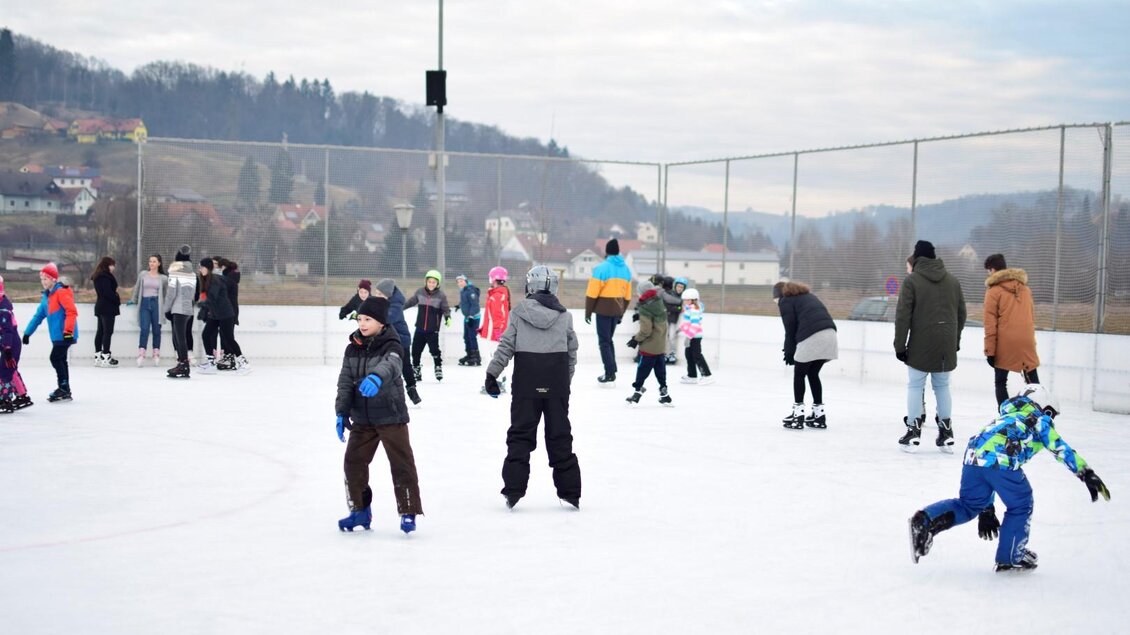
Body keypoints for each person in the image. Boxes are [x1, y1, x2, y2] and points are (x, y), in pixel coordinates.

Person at [909, 384, 1110, 572]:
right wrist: (1086, 473)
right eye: (1053, 415)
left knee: (969, 505)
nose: (1052, 420)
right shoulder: (1038, 419)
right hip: (1002, 461)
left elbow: (989, 458)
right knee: (1022, 503)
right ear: (1046, 409)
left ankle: (924, 520)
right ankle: (1011, 556)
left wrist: (986, 508)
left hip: (972, 457)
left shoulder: (1006, 417)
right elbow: (1059, 448)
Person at [484, 265, 581, 510]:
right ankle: (570, 492)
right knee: (559, 435)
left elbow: (505, 346)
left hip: (526, 385)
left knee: (520, 435)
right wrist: (564, 382)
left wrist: (492, 374)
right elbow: (572, 354)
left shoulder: (519, 312)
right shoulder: (565, 316)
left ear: (530, 285)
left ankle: (513, 490)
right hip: (556, 385)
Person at [335, 296, 422, 534]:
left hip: (390, 415)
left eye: (368, 319)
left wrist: (377, 377)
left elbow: (392, 365)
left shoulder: (391, 344)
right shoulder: (352, 346)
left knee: (401, 463)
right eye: (360, 318)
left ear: (381, 322)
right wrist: (341, 412)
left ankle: (408, 511)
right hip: (362, 418)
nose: (362, 323)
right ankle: (360, 511)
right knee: (353, 463)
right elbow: (344, 383)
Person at [894, 240, 966, 452]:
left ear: (917, 258)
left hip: (920, 344)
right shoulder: (953, 281)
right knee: (942, 386)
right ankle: (946, 433)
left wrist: (900, 345)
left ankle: (914, 432)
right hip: (946, 345)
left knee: (916, 385)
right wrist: (955, 341)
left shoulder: (912, 281)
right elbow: (961, 315)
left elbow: (903, 316)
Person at [774, 281, 838, 429]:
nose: (777, 303)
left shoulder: (786, 301)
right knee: (813, 373)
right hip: (830, 335)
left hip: (813, 336)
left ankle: (798, 415)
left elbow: (790, 330)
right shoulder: (808, 296)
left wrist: (789, 352)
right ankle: (819, 415)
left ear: (779, 295)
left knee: (799, 374)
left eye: (775, 300)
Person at [983, 253, 1040, 407]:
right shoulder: (1025, 289)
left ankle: (1005, 415)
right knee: (1032, 380)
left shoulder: (993, 292)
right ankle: (1038, 415)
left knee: (1000, 381)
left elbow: (990, 325)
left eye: (988, 271)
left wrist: (990, 351)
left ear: (993, 270)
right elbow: (1031, 316)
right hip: (1027, 339)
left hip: (1005, 342)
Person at [22, 263, 78, 402]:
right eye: (42, 279)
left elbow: (71, 312)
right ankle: (65, 389)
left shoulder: (61, 292)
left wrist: (68, 331)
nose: (43, 282)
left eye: (46, 279)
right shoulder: (46, 297)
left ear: (53, 279)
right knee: (61, 359)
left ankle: (63, 388)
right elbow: (38, 316)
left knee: (55, 358)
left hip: (65, 334)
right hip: (56, 336)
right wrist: (28, 333)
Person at [584, 238, 632, 384]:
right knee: (608, 340)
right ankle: (612, 369)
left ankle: (610, 373)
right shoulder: (626, 269)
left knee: (604, 342)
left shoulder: (601, 268)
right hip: (617, 309)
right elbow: (628, 296)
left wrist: (588, 312)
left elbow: (592, 293)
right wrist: (621, 313)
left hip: (603, 310)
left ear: (607, 251)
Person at [625, 280, 673, 406]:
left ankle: (637, 393)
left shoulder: (645, 307)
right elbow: (657, 320)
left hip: (649, 346)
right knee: (660, 370)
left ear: (642, 293)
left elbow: (646, 330)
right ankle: (665, 394)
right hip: (660, 344)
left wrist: (636, 339)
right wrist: (640, 316)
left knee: (642, 370)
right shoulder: (658, 301)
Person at [375, 279, 421, 406]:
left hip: (401, 340)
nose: (377, 296)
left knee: (405, 366)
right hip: (389, 339)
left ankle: (411, 388)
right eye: (376, 293)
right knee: (387, 365)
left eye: (380, 294)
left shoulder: (395, 305)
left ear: (387, 294)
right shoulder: (383, 302)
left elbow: (387, 319)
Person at [402, 269, 450, 383]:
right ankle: (416, 369)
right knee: (415, 351)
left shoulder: (441, 296)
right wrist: (400, 308)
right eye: (429, 282)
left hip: (432, 329)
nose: (431, 284)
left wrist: (448, 317)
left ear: (437, 283)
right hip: (420, 327)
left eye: (434, 282)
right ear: (426, 282)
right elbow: (411, 302)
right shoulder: (420, 292)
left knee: (434, 350)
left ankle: (438, 366)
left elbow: (445, 308)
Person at [196, 258, 239, 374]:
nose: (200, 270)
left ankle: (243, 362)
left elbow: (212, 297)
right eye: (199, 267)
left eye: (202, 267)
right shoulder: (206, 279)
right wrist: (204, 309)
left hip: (225, 313)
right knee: (206, 335)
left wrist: (201, 305)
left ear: (207, 268)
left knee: (228, 338)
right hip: (216, 314)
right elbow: (207, 298)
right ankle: (211, 363)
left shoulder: (214, 280)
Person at [0, 276, 33, 412]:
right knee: (11, 370)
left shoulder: (3, 309)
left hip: (10, 345)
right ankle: (22, 396)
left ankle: (5, 400)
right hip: (9, 343)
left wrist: (7, 350)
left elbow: (7, 331)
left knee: (4, 372)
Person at [129, 253, 168, 367]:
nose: (152, 263)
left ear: (159, 263)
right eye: (150, 261)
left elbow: (165, 294)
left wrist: (165, 306)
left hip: (156, 304)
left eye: (154, 261)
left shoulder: (163, 278)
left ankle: (156, 354)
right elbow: (137, 288)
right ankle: (141, 354)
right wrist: (134, 299)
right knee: (144, 329)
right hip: (144, 304)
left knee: (157, 329)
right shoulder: (143, 275)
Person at [163, 254, 197, 378]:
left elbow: (171, 294)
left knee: (179, 338)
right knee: (181, 337)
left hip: (178, 309)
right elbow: (193, 293)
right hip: (188, 309)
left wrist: (166, 309)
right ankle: (182, 364)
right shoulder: (193, 274)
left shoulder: (174, 273)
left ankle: (183, 365)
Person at [214, 258, 247, 372]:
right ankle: (230, 358)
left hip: (228, 311)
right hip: (229, 311)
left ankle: (239, 359)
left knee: (228, 336)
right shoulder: (229, 279)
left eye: (218, 266)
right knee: (225, 335)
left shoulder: (228, 280)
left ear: (223, 267)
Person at [678, 288, 714, 385]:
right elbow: (688, 322)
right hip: (690, 335)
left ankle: (707, 375)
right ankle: (692, 375)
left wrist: (689, 336)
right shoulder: (689, 308)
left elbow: (695, 324)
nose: (684, 302)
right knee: (689, 355)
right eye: (684, 300)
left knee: (697, 355)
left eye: (686, 300)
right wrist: (682, 328)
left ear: (692, 300)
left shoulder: (694, 309)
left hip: (695, 336)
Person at [90, 256, 121, 368]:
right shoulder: (105, 277)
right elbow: (107, 292)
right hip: (107, 307)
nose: (113, 267)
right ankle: (105, 356)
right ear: (108, 265)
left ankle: (98, 356)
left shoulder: (98, 276)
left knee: (101, 331)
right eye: (113, 265)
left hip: (100, 306)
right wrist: (117, 298)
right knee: (107, 332)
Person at [172, 245, 199, 364]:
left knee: (180, 332)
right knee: (184, 331)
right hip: (186, 307)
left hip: (180, 308)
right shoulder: (192, 275)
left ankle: (183, 356)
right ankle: (185, 354)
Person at [654, 275, 686, 365]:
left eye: (682, 287)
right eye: (678, 286)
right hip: (665, 319)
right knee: (664, 337)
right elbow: (667, 305)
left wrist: (677, 307)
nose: (679, 288)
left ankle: (672, 354)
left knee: (671, 337)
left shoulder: (683, 297)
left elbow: (674, 306)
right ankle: (663, 354)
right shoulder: (670, 294)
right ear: (675, 286)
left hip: (674, 320)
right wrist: (679, 308)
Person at [453, 274, 482, 366]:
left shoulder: (470, 290)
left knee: (472, 336)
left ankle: (476, 357)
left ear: (466, 281)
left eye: (461, 281)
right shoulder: (464, 291)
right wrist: (460, 305)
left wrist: (471, 316)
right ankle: (469, 354)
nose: (460, 283)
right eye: (458, 282)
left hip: (474, 317)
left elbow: (475, 305)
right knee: (466, 337)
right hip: (467, 317)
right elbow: (465, 302)